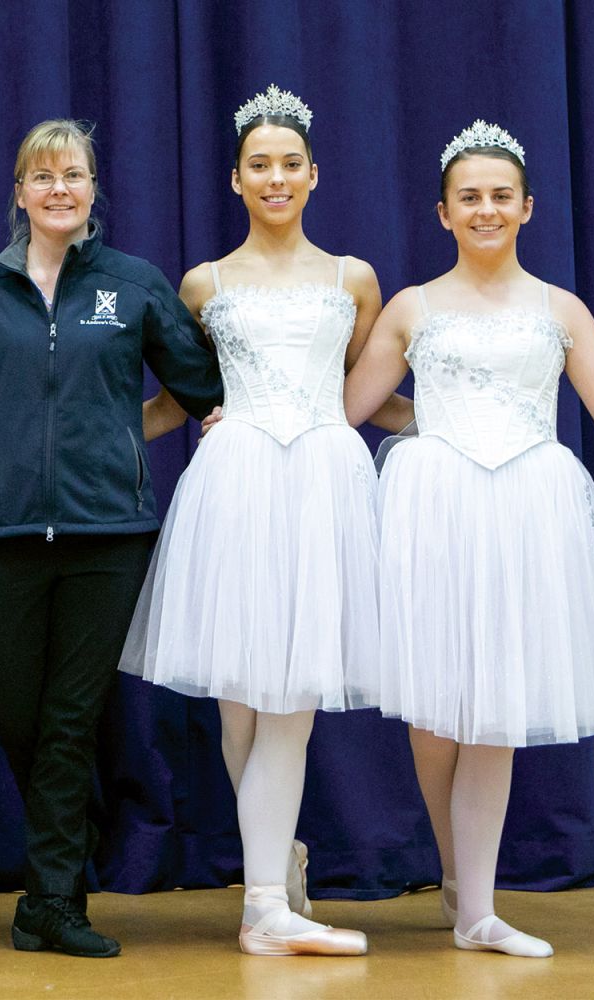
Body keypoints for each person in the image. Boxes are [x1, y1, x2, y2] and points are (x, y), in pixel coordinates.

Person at [343, 120, 594, 957]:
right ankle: (458, 876)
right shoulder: (412, 308)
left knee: (494, 707)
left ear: (528, 207)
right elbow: (348, 408)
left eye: (501, 195)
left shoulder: (559, 309)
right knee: (433, 717)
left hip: (526, 514)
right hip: (433, 512)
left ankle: (478, 910)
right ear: (443, 213)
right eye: (469, 197)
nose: (486, 209)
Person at [0, 118, 222, 958]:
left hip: (108, 533)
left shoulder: (133, 285)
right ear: (19, 193)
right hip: (2, 530)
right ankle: (62, 862)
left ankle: (52, 901)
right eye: (42, 177)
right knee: (18, 715)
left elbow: (202, 389)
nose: (58, 190)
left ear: (92, 189)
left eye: (72, 175)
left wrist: (121, 436)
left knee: (73, 718)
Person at [126, 85, 413, 956]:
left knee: (291, 696)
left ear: (314, 175)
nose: (276, 177)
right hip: (237, 483)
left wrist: (455, 420)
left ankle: (262, 910)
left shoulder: (352, 279)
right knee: (240, 708)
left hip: (324, 482)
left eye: (291, 164)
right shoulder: (204, 283)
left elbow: (367, 394)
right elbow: (178, 400)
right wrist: (91, 434)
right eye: (260, 165)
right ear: (236, 179)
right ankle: (276, 857)